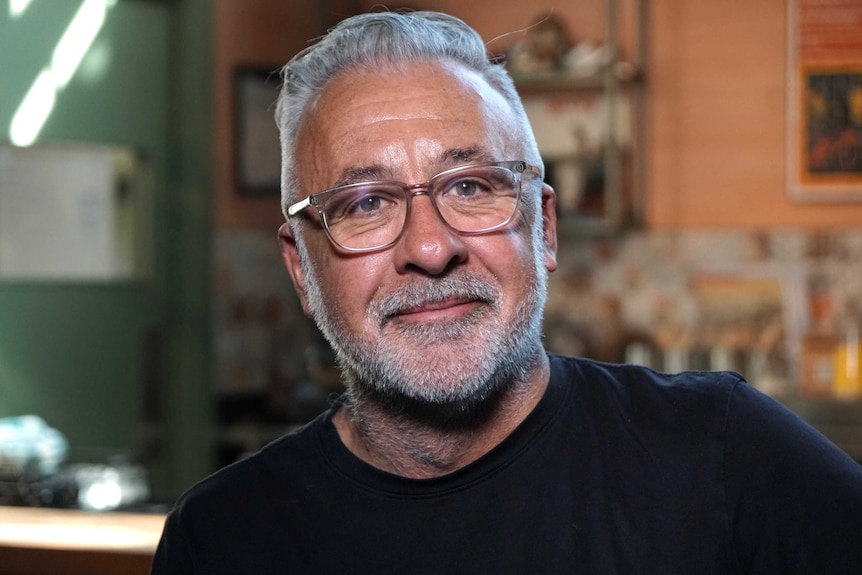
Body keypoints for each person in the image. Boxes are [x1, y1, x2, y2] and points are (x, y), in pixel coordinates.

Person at [151, 10, 862, 574]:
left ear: (543, 227)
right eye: (365, 203)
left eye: (471, 186)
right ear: (302, 268)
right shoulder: (221, 540)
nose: (429, 248)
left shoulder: (726, 457)